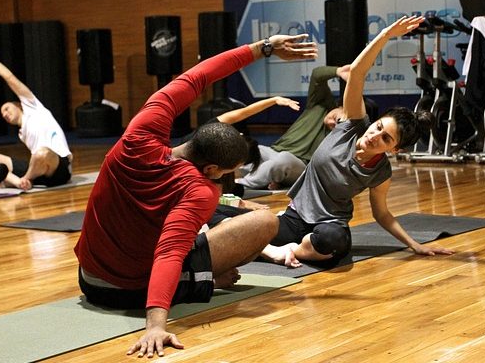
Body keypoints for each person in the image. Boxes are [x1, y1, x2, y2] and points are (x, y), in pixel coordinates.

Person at [73, 34, 317, 358]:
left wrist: (264, 47)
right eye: (230, 171)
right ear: (214, 168)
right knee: (264, 221)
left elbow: (199, 74)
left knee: (221, 218)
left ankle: (204, 276)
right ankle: (204, 279)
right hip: (127, 291)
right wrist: (156, 325)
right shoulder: (198, 189)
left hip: (88, 277)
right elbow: (169, 252)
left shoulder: (140, 130)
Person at [258, 16, 455, 269]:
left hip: (330, 224)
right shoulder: (352, 124)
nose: (374, 135)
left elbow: (381, 214)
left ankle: (290, 250)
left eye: (385, 138)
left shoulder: (380, 172)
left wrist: (414, 244)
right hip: (295, 216)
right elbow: (357, 73)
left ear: (394, 150)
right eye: (379, 127)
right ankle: (279, 248)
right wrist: (384, 35)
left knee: (334, 241)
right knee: (246, 233)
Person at [0, 45, 72, 191]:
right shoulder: (22, 133)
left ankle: (25, 180)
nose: (5, 114)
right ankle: (17, 182)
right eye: (3, 115)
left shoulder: (33, 106)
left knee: (42, 153)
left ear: (19, 105)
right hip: (36, 168)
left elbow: (8, 77)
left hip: (58, 168)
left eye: (7, 108)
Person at [236, 65, 349, 190]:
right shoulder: (319, 105)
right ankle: (233, 175)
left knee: (283, 160)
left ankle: (240, 185)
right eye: (338, 119)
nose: (335, 124)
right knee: (251, 147)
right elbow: (317, 75)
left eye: (341, 124)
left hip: (302, 166)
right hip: (274, 151)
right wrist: (338, 71)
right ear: (340, 107)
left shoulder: (342, 136)